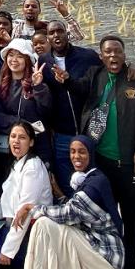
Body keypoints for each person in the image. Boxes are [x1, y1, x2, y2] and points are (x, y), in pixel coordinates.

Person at [53, 34, 135, 269]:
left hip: (128, 164)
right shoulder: (95, 75)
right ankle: (106, 267)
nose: (113, 56)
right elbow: (78, 88)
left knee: (131, 221)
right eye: (108, 52)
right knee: (102, 217)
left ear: (124, 54)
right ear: (101, 56)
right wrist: (66, 80)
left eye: (117, 51)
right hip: (100, 164)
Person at [6, 135, 135, 269]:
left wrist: (32, 208)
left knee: (44, 224)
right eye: (73, 152)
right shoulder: (91, 178)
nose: (76, 156)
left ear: (91, 154)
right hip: (100, 252)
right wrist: (59, 194)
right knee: (47, 224)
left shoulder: (94, 185)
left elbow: (69, 213)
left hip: (105, 261)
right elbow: (78, 211)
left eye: (82, 152)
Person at [40, 19, 101, 194]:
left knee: (91, 181)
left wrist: (131, 67)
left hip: (88, 133)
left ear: (67, 33)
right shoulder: (44, 62)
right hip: (62, 134)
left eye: (59, 31)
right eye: (51, 33)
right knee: (67, 182)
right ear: (47, 38)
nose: (56, 35)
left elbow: (109, 70)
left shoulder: (87, 56)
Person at [0, 39, 53, 196]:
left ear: (27, 60)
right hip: (9, 149)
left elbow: (46, 111)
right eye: (11, 55)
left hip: (36, 146)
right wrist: (21, 125)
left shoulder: (37, 83)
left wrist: (38, 87)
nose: (14, 60)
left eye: (19, 56)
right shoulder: (1, 85)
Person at [0, 121, 53, 269]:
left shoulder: (32, 168)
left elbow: (25, 213)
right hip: (12, 227)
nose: (16, 141)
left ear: (31, 142)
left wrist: (7, 252)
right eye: (13, 136)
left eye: (22, 137)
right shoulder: (18, 162)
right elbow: (7, 201)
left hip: (29, 233)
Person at [0, 0, 84, 41]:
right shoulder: (14, 26)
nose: (30, 8)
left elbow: (78, 36)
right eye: (27, 6)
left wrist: (65, 14)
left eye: (34, 6)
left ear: (39, 10)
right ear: (23, 10)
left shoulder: (48, 27)